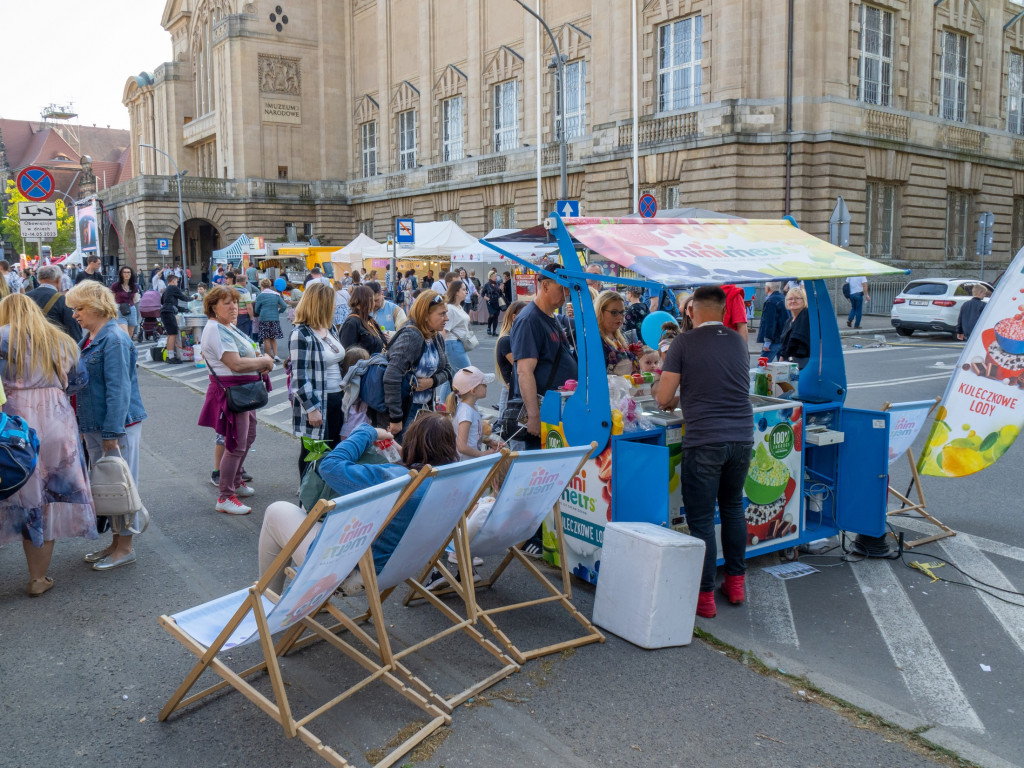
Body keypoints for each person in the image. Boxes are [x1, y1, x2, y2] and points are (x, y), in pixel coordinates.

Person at [257, 416, 459, 595]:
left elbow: (329, 465)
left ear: (412, 443)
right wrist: (405, 457)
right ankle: (303, 600)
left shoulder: (394, 480)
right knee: (305, 514)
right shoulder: (455, 480)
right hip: (402, 566)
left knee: (276, 511)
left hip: (355, 573)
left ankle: (268, 599)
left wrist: (367, 431)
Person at [656, 285, 754, 619]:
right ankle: (736, 583)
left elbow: (663, 396)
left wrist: (666, 393)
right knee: (732, 508)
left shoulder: (684, 342)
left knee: (700, 521)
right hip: (741, 439)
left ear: (693, 310)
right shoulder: (739, 344)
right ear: (723, 310)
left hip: (705, 441)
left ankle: (704, 597)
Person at [0, 295, 93, 596]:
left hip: (16, 422)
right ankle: (38, 578)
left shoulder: (2, 339)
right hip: (56, 418)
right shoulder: (61, 340)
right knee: (47, 497)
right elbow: (79, 380)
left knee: (15, 489)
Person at [66, 281, 149, 572]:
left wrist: (112, 433)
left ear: (97, 305)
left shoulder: (113, 338)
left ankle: (125, 547)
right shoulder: (94, 335)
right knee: (108, 488)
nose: (75, 314)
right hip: (96, 423)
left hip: (114, 425)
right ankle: (117, 543)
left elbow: (119, 389)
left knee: (121, 485)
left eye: (80, 308)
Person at [197, 285, 275, 515]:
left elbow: (245, 354)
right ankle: (225, 495)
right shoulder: (215, 329)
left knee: (247, 436)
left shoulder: (226, 326)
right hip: (234, 392)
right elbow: (235, 364)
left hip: (244, 389)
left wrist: (261, 359)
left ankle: (236, 481)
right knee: (235, 444)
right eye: (226, 303)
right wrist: (265, 362)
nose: (233, 307)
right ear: (213, 307)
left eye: (235, 302)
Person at [510, 264, 578, 450]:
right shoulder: (529, 320)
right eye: (562, 288)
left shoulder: (552, 316)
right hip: (543, 410)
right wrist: (533, 415)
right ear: (546, 286)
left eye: (567, 289)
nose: (566, 294)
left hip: (557, 408)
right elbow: (524, 371)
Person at [289, 282, 346, 478]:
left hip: (336, 398)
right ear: (321, 304)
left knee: (332, 450)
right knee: (313, 452)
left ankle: (325, 493)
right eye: (332, 303)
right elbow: (299, 376)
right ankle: (307, 494)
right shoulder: (301, 334)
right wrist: (312, 408)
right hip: (317, 401)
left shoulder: (330, 329)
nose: (335, 307)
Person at [382, 290, 453, 436]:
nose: (446, 318)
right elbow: (391, 376)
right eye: (442, 314)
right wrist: (395, 418)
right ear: (425, 315)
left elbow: (447, 369)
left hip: (423, 409)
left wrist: (431, 382)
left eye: (446, 313)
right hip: (406, 411)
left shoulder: (434, 335)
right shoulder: (411, 336)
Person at [445, 366, 500, 460]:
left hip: (470, 461)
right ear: (473, 391)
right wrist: (483, 454)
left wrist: (489, 442)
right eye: (483, 384)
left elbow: (473, 435)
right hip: (465, 465)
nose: (486, 385)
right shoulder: (466, 413)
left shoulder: (470, 408)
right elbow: (462, 447)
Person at [438, 280, 473, 403]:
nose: (466, 292)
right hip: (452, 344)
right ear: (456, 292)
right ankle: (473, 406)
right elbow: (444, 330)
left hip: (458, 344)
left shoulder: (458, 306)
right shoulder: (451, 309)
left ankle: (443, 406)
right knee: (467, 375)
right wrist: (440, 350)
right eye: (463, 289)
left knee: (452, 378)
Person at [27, 264, 82, 342]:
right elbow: (73, 330)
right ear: (58, 279)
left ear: (39, 279)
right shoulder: (63, 300)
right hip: (57, 347)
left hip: (30, 347)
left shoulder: (25, 298)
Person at [495, 300, 527, 418]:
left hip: (514, 389)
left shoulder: (515, 337)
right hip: (512, 391)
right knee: (506, 425)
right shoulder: (506, 340)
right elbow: (521, 365)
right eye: (525, 315)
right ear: (514, 317)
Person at [596, 290, 639, 375]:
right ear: (600, 311)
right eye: (614, 312)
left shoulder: (620, 337)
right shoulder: (594, 339)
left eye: (622, 312)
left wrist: (636, 355)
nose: (620, 316)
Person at [339, 284, 387, 356]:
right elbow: (349, 354)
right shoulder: (351, 323)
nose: (374, 304)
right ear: (366, 301)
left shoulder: (368, 320)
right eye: (373, 300)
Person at [253, 278, 288, 361]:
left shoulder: (260, 295)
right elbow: (284, 306)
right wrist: (279, 312)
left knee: (266, 338)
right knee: (273, 338)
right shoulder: (276, 295)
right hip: (275, 318)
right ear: (269, 285)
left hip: (264, 318)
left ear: (262, 286)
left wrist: (259, 313)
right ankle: (276, 355)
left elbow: (256, 309)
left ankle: (268, 356)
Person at [160, 274, 190, 364]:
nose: (177, 283)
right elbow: (184, 298)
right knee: (173, 333)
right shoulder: (173, 288)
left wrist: (185, 309)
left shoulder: (166, 290)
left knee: (170, 334)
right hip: (169, 312)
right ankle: (171, 357)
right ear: (173, 281)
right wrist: (194, 298)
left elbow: (166, 302)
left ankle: (170, 355)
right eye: (177, 281)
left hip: (164, 312)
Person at [779, 285, 811, 367]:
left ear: (804, 300)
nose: (793, 301)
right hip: (788, 363)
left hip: (804, 363)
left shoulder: (807, 315)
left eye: (797, 298)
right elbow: (784, 347)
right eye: (790, 298)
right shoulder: (788, 321)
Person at [757, 282, 787, 362]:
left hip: (773, 339)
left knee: (762, 366)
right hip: (783, 338)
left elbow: (770, 322)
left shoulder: (771, 301)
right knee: (782, 367)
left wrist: (767, 341)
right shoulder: (783, 298)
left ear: (768, 288)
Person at [110, 266, 141, 341]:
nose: (127, 274)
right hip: (120, 310)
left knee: (130, 335)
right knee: (125, 334)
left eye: (128, 272)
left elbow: (135, 300)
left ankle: (128, 351)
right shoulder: (116, 286)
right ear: (121, 274)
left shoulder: (134, 286)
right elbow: (111, 299)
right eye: (125, 272)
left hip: (131, 309)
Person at [224, 272, 255, 339]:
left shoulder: (229, 290)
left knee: (233, 334)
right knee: (244, 336)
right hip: (243, 316)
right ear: (243, 282)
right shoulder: (245, 291)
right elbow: (249, 306)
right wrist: (251, 317)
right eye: (246, 282)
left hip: (231, 314)